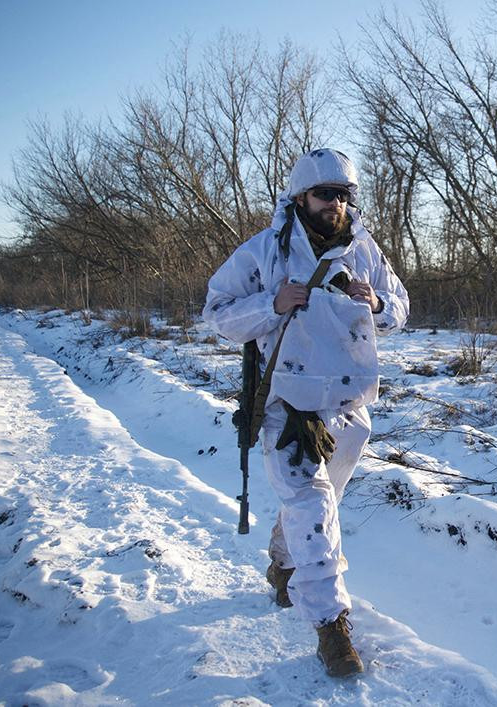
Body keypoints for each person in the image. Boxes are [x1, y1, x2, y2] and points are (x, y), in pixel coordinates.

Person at [203, 148, 409, 678]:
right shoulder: (263, 253)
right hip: (288, 404)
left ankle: (284, 562)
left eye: (343, 195)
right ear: (300, 197)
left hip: (348, 404)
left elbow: (401, 306)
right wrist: (271, 303)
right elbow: (217, 313)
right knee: (314, 507)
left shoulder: (365, 250)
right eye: (324, 194)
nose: (335, 204)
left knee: (320, 502)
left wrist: (380, 304)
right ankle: (332, 627)